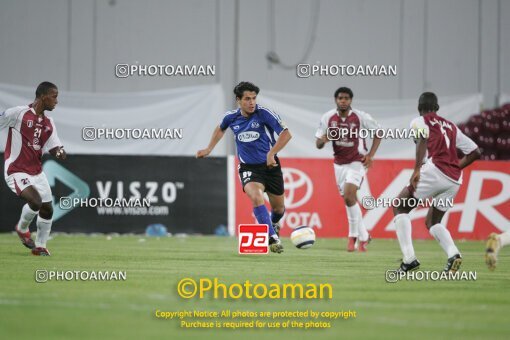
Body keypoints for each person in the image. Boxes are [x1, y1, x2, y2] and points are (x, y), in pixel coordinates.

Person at [197, 81, 291, 253]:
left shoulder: (264, 114)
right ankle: (272, 238)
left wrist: (271, 153)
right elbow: (220, 129)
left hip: (270, 166)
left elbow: (286, 134)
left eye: (254, 98)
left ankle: (274, 223)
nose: (252, 102)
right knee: (256, 196)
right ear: (238, 100)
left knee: (278, 208)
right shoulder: (231, 117)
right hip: (248, 168)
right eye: (247, 99)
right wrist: (209, 148)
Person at [392, 92, 480, 272]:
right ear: (437, 109)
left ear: (419, 108)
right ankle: (453, 253)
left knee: (399, 206)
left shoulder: (419, 121)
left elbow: (422, 139)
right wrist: (455, 167)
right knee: (433, 221)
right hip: (454, 180)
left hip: (434, 171)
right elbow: (475, 152)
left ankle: (409, 259)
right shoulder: (451, 126)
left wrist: (417, 169)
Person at [1, 81, 66, 256]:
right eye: (54, 96)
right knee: (36, 202)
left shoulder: (49, 122)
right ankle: (22, 229)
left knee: (47, 209)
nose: (56, 101)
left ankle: (40, 246)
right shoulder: (18, 114)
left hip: (36, 172)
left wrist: (60, 152)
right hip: (16, 169)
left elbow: (55, 147)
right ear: (43, 97)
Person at [315, 87, 382, 252]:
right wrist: (323, 140)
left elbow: (378, 132)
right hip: (339, 165)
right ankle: (365, 236)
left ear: (351, 100)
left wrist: (371, 155)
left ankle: (352, 237)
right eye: (340, 98)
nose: (343, 101)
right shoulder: (327, 118)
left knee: (349, 196)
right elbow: (318, 144)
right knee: (349, 200)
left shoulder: (360, 117)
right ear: (335, 100)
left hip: (357, 162)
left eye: (346, 98)